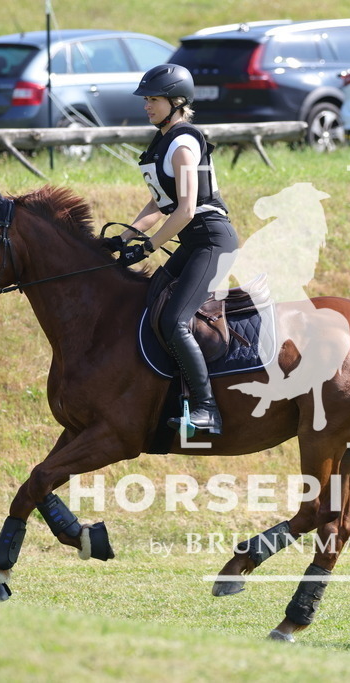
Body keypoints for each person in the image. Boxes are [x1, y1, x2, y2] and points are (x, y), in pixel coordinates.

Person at [110, 64, 237, 436]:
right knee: (150, 302)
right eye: (146, 100)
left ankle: (206, 410)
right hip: (192, 240)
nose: (146, 106)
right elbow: (158, 203)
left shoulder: (182, 144)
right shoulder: (163, 141)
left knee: (174, 320)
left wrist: (148, 246)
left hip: (212, 241)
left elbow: (184, 209)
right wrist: (127, 235)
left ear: (176, 102)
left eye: (153, 99)